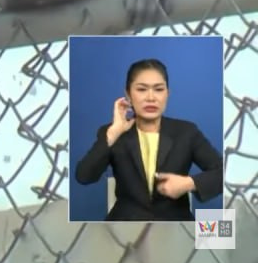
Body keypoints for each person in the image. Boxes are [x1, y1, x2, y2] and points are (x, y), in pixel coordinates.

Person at [74, 58, 224, 221]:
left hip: (175, 226)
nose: (151, 97)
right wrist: (113, 134)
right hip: (125, 227)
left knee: (215, 240)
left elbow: (222, 172)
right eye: (141, 89)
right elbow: (84, 176)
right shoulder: (112, 132)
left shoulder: (187, 132)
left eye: (159, 89)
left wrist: (189, 183)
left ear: (168, 93)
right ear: (128, 94)